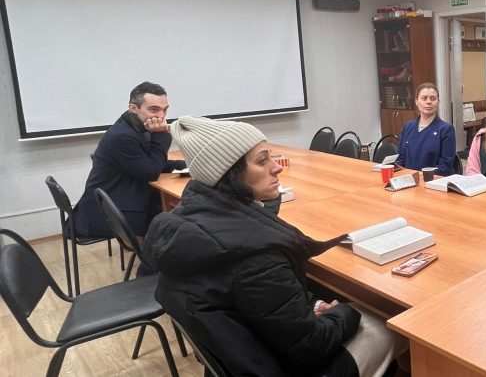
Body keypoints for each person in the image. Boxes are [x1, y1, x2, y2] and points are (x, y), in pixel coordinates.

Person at [143, 116, 407, 376]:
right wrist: (343, 311)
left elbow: (258, 303)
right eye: (262, 161)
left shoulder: (186, 223)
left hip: (253, 353)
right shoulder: (254, 254)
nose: (276, 167)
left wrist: (311, 308)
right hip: (285, 364)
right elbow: (311, 346)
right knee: (391, 321)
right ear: (229, 174)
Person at [73, 81, 186, 238]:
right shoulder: (122, 136)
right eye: (154, 110)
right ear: (133, 108)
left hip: (119, 197)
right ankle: (157, 255)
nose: (161, 116)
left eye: (164, 110)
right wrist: (161, 135)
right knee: (181, 219)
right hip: (112, 212)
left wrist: (184, 166)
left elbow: (146, 161)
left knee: (177, 208)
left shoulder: (132, 126)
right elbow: (151, 171)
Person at [396, 83, 457, 175]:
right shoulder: (408, 127)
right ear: (416, 101)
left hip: (432, 181)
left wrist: (419, 175)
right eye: (424, 98)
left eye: (433, 98)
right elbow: (400, 158)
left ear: (438, 102)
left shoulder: (446, 129)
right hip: (407, 180)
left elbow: (445, 166)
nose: (429, 102)